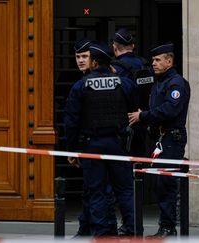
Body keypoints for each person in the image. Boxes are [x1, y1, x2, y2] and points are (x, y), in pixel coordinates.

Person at [64, 41, 135, 236]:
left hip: (92, 145)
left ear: (94, 63)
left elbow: (71, 122)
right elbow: (135, 108)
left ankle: (103, 234)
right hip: (118, 143)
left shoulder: (81, 86)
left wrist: (71, 150)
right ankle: (132, 231)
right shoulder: (124, 82)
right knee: (125, 191)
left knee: (97, 191)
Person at [128, 42, 190, 238]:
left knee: (165, 183)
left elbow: (170, 110)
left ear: (169, 61)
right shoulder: (160, 82)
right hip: (161, 138)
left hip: (172, 137)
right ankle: (166, 225)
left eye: (157, 60)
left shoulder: (176, 83)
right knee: (158, 183)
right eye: (153, 60)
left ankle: (168, 227)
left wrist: (143, 116)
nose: (153, 63)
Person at [110, 28, 151, 236]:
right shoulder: (145, 64)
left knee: (122, 180)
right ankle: (136, 223)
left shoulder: (117, 68)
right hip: (144, 124)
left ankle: (129, 225)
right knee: (137, 176)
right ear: (132, 46)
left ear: (115, 48)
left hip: (125, 128)